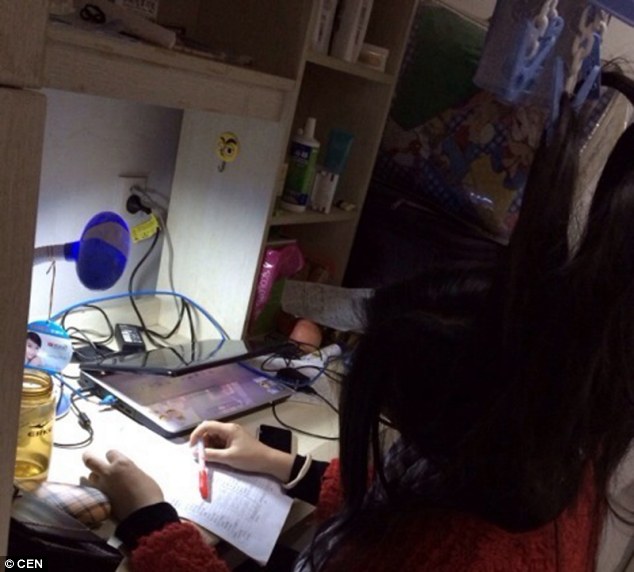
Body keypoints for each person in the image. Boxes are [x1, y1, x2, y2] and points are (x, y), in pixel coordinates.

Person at [83, 71, 634, 571]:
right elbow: (412, 491)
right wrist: (284, 465)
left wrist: (149, 519)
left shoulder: (441, 557)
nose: (397, 441)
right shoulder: (546, 460)